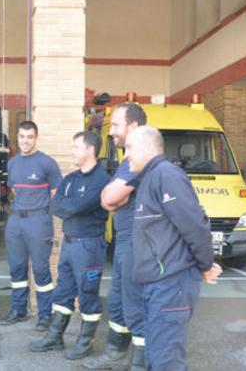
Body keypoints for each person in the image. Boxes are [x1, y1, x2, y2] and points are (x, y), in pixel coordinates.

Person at [125, 126, 223, 371]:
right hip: (156, 284)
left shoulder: (166, 175)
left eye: (129, 148)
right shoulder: (149, 178)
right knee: (157, 356)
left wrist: (205, 264)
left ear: (148, 147)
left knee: (166, 361)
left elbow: (194, 224)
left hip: (170, 285)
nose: (126, 154)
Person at [29, 131, 109, 360]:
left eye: (76, 147)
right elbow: (56, 206)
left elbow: (74, 208)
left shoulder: (100, 180)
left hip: (89, 247)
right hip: (69, 244)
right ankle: (55, 337)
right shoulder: (72, 178)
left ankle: (85, 342)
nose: (72, 151)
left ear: (90, 150)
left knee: (87, 294)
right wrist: (69, 207)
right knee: (63, 291)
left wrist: (69, 207)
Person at [84, 103, 148, 370]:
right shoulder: (126, 160)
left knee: (134, 300)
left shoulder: (139, 159)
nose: (112, 133)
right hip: (125, 239)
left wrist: (114, 196)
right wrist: (114, 197)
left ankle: (142, 362)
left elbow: (109, 198)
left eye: (117, 125)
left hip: (137, 240)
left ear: (133, 126)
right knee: (119, 298)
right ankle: (115, 352)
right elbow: (109, 200)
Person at [0, 120, 63, 331]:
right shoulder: (12, 163)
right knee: (16, 268)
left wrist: (44, 216)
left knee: (41, 269)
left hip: (38, 221)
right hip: (16, 220)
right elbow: (15, 191)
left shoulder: (47, 163)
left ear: (36, 138)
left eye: (29, 137)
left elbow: (57, 195)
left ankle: (45, 315)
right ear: (17, 138)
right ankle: (19, 309)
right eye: (22, 137)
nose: (25, 141)